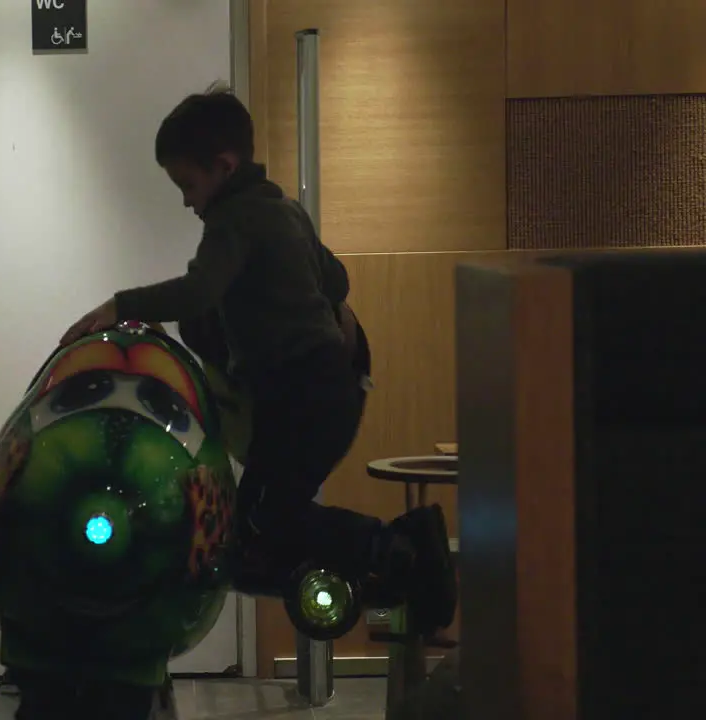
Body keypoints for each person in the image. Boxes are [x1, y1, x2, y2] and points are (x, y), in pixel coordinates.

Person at [58, 87, 456, 636]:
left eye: (187, 185)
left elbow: (199, 290)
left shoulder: (235, 220)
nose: (186, 201)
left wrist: (120, 306)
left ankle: (395, 547)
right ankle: (376, 564)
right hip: (330, 391)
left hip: (301, 395)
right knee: (250, 533)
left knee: (263, 521)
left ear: (224, 167)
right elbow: (338, 280)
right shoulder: (283, 210)